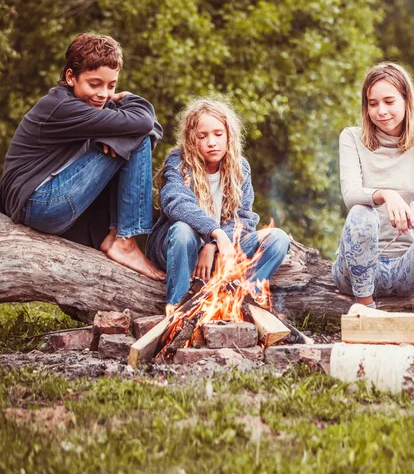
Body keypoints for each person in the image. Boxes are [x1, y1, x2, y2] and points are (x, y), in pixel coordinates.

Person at [0, 33, 165, 281]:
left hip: (49, 202)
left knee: (133, 136)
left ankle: (117, 237)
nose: (103, 94)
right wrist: (129, 100)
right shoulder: (61, 106)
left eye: (112, 86)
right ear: (70, 77)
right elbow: (143, 124)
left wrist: (120, 138)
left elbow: (153, 127)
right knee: (136, 137)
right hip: (38, 203)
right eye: (94, 83)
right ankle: (125, 241)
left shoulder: (92, 104)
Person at [147, 97, 290, 314]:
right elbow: (176, 203)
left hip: (221, 253)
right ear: (190, 139)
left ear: (228, 135)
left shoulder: (240, 167)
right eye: (202, 136)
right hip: (181, 249)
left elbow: (243, 217)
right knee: (183, 230)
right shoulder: (178, 162)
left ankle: (239, 301)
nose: (211, 142)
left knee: (277, 238)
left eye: (218, 134)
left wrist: (213, 244)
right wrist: (217, 234)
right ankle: (179, 309)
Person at [332, 62, 414, 312]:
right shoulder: (351, 137)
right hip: (355, 274)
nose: (381, 111)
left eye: (389, 101)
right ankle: (365, 311)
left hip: (405, 270)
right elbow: (351, 195)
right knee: (361, 211)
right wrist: (385, 195)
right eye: (373, 103)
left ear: (406, 101)